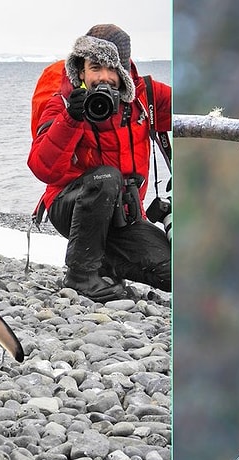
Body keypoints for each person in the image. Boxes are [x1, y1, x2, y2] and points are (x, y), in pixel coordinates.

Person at [28, 24, 171, 302]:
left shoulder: (146, 97)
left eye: (113, 68)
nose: (104, 77)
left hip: (124, 215)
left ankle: (104, 265)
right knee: (106, 177)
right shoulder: (62, 103)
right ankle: (80, 276)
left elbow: (191, 105)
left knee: (172, 271)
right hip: (71, 206)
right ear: (81, 71)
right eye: (95, 67)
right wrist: (71, 119)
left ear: (124, 70)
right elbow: (42, 168)